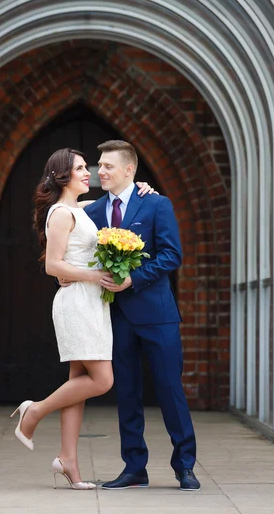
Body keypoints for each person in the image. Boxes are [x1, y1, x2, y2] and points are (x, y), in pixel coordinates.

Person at [10, 147, 154, 490]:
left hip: (93, 303)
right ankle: (34, 412)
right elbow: (52, 265)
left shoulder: (83, 209)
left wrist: (141, 187)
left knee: (79, 387)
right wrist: (95, 276)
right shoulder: (61, 213)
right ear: (62, 176)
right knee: (102, 380)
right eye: (79, 169)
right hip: (78, 302)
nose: (88, 172)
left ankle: (68, 462)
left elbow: (120, 202)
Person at [83, 140, 200, 491]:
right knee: (127, 393)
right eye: (98, 165)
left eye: (106, 166)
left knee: (169, 390)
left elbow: (171, 255)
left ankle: (185, 466)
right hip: (115, 317)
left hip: (158, 315)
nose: (99, 171)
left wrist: (134, 278)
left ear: (129, 170)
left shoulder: (156, 204)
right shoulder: (92, 211)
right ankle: (135, 467)